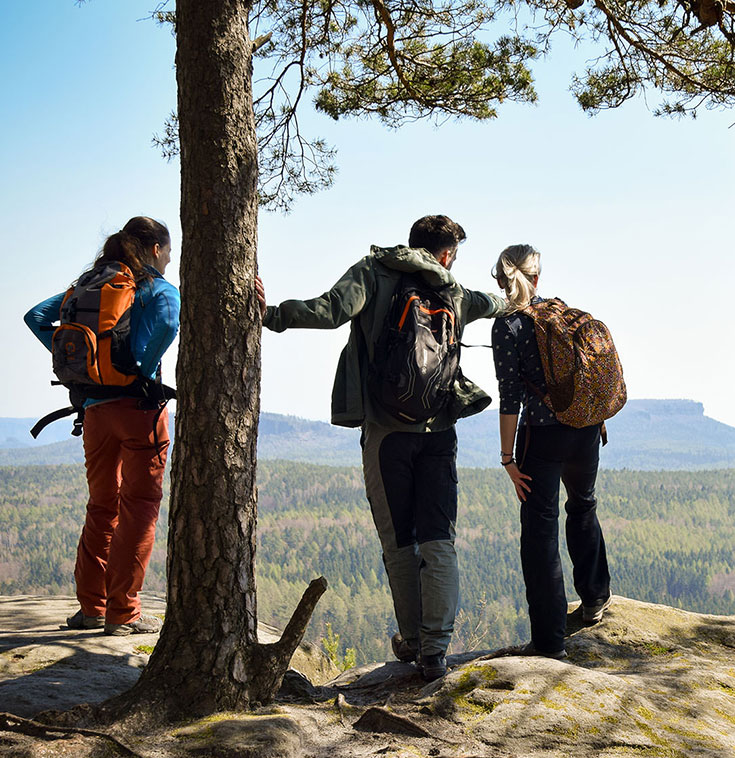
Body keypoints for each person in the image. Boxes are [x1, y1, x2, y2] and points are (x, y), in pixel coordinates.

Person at [260, 215, 504, 680]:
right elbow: (493, 303)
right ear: (447, 253)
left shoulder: (374, 272)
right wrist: (516, 294)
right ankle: (434, 651)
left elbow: (328, 311)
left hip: (386, 433)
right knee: (439, 540)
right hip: (439, 433)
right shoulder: (453, 290)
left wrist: (271, 314)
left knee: (400, 542)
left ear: (412, 244)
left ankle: (412, 640)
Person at [24, 217, 181, 637]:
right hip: (138, 411)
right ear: (154, 250)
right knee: (140, 506)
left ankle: (91, 608)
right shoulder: (157, 290)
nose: (170, 259)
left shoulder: (89, 286)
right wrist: (136, 370)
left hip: (93, 410)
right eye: (169, 251)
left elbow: (37, 316)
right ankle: (123, 613)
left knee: (102, 505)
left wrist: (87, 368)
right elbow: (166, 323)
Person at [490, 244, 613, 659]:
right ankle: (595, 598)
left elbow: (510, 398)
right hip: (586, 431)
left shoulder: (508, 325)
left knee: (540, 530)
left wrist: (508, 459)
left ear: (502, 281)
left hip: (541, 438)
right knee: (583, 506)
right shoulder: (562, 313)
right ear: (538, 278)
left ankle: (549, 643)